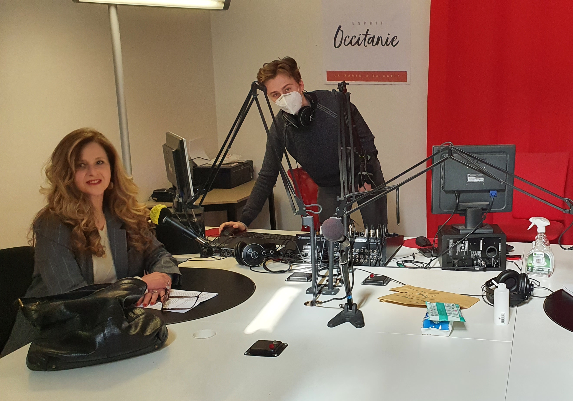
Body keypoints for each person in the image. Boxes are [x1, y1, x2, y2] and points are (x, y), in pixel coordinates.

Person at [1, 128, 180, 357]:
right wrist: (140, 284)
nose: (92, 172)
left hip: (109, 331)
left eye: (99, 162)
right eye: (81, 165)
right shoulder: (52, 225)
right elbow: (72, 299)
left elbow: (158, 254)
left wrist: (163, 278)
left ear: (111, 168)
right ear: (66, 173)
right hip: (51, 344)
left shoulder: (123, 213)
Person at [220, 56, 387, 234]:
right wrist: (244, 220)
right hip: (329, 186)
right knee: (331, 241)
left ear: (300, 85)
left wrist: (366, 174)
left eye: (287, 89)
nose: (283, 97)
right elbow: (267, 175)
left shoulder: (334, 102)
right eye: (275, 94)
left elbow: (367, 141)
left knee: (376, 236)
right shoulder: (280, 128)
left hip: (363, 175)